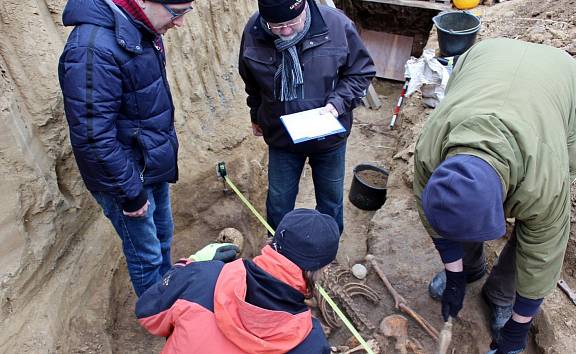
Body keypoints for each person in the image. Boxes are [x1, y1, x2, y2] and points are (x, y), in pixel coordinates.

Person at [413, 38, 576, 354]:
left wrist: (517, 332)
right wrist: (457, 276)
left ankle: (500, 294)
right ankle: (472, 267)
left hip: (560, 79)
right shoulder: (430, 149)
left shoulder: (543, 182)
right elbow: (436, 220)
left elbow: (543, 254)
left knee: (537, 226)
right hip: (483, 59)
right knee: (459, 215)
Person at [58, 0, 194, 296]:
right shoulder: (92, 51)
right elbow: (93, 137)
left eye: (187, 12)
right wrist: (130, 194)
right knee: (146, 254)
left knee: (162, 237)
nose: (180, 23)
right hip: (125, 177)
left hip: (147, 164)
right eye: (177, 13)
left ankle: (167, 290)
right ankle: (157, 313)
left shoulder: (139, 28)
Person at [238, 0, 376, 234]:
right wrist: (256, 115)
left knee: (330, 202)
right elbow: (252, 82)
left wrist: (337, 103)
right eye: (276, 26)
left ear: (304, 8)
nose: (286, 31)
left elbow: (360, 73)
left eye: (291, 22)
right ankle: (279, 251)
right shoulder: (255, 31)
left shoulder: (337, 26)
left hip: (328, 137)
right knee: (279, 203)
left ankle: (326, 249)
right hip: (282, 137)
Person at [136, 208, 339, 353]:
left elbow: (146, 311)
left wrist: (189, 264)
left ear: (273, 241)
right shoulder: (310, 343)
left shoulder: (202, 276)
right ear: (319, 271)